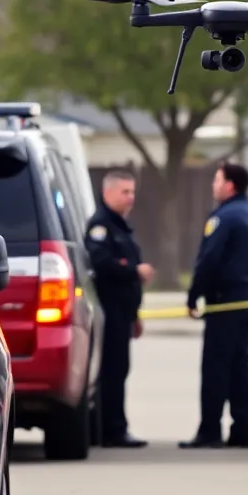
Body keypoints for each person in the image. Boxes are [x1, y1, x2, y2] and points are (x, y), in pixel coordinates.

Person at [180, 162, 248, 449]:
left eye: (217, 180)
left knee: (216, 367)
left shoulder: (223, 218)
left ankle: (210, 430)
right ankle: (243, 431)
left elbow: (209, 259)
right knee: (240, 366)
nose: (213, 185)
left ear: (230, 185)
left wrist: (194, 295)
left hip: (225, 301)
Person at [85, 170, 154, 448]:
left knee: (120, 369)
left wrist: (135, 316)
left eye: (132, 192)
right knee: (112, 371)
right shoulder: (101, 226)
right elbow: (101, 263)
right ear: (108, 193)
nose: (131, 197)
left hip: (123, 313)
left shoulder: (121, 226)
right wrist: (134, 271)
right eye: (125, 192)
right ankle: (112, 430)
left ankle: (114, 426)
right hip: (110, 311)